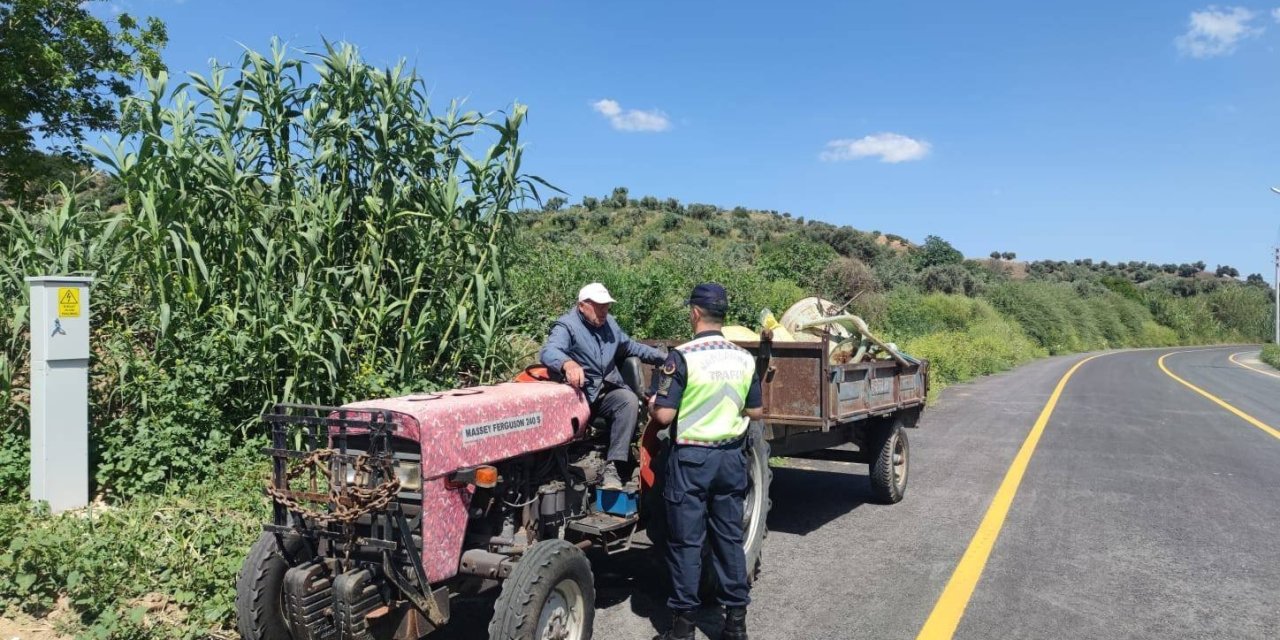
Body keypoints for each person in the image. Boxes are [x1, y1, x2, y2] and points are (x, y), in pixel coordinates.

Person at [649, 283, 763, 640]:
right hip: (731, 461)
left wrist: (653, 401)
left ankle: (682, 630)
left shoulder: (681, 357)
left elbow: (665, 417)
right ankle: (735, 626)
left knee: (687, 543)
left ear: (695, 313)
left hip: (692, 462)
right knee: (729, 540)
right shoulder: (744, 358)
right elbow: (756, 411)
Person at [539, 282, 667, 490]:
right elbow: (549, 351)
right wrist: (567, 363)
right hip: (580, 395)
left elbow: (630, 346)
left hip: (606, 392)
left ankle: (614, 467)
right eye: (599, 306)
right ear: (582, 305)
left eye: (606, 306)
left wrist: (664, 358)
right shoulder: (567, 326)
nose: (604, 310)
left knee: (628, 400)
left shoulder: (610, 325)